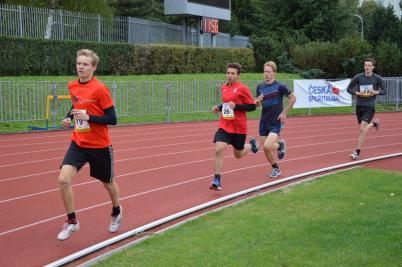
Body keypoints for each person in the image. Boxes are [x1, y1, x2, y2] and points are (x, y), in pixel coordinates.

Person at [57, 49, 122, 241]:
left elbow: (112, 119)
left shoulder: (100, 89)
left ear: (93, 67)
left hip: (100, 145)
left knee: (108, 183)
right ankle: (72, 222)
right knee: (63, 180)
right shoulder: (72, 86)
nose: (81, 67)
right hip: (78, 142)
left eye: (85, 64)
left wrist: (89, 117)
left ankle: (116, 211)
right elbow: (75, 106)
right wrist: (68, 117)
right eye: (79, 63)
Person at [210, 62, 259, 191]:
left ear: (238, 76)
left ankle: (252, 145)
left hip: (239, 128)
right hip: (225, 125)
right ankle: (217, 180)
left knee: (238, 154)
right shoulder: (224, 87)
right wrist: (219, 108)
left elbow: (252, 106)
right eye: (228, 73)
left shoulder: (242, 88)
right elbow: (227, 104)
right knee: (219, 149)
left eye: (233, 73)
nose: (230, 76)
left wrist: (236, 106)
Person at [255, 61, 296, 178]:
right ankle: (276, 167)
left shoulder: (280, 86)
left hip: (275, 121)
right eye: (265, 71)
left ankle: (279, 146)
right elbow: (257, 104)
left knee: (268, 146)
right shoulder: (260, 87)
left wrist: (284, 112)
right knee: (265, 148)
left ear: (274, 73)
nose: (266, 74)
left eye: (269, 72)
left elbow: (293, 98)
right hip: (264, 121)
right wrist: (257, 102)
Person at [347, 58, 386, 160]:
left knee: (362, 129)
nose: (367, 67)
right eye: (365, 65)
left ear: (373, 67)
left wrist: (375, 92)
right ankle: (375, 124)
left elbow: (384, 91)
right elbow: (349, 89)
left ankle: (357, 152)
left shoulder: (377, 78)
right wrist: (357, 93)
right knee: (362, 130)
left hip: (370, 106)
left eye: (369, 66)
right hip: (359, 106)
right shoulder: (358, 77)